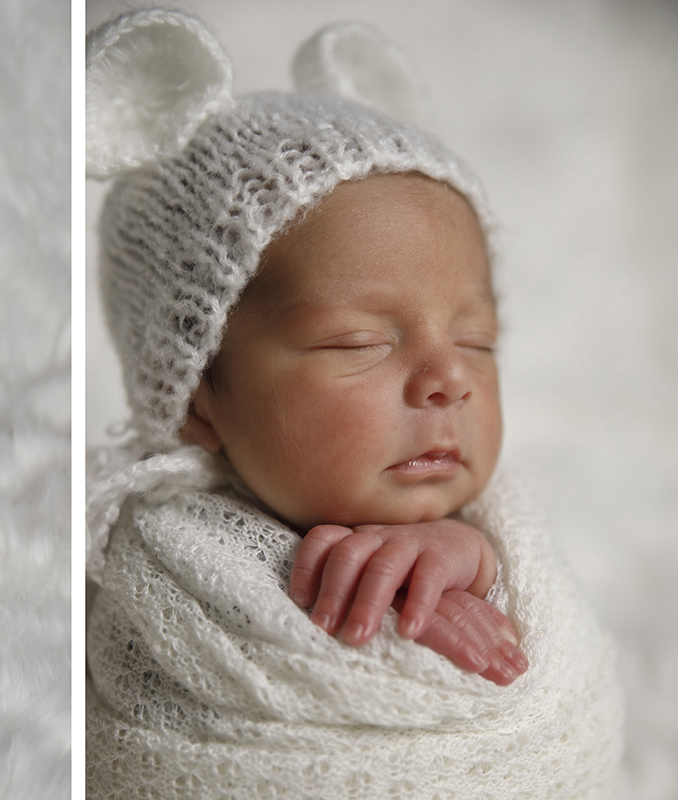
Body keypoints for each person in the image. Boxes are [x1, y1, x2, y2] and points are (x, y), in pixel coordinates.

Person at [85, 10, 623, 798]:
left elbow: (561, 675)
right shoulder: (164, 571)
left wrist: (474, 564)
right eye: (358, 342)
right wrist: (371, 636)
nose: (449, 378)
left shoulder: (490, 529)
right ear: (197, 397)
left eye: (477, 339)